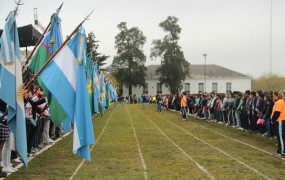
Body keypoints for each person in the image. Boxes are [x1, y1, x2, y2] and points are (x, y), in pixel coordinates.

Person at [271, 91, 285, 157]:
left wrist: (273, 120)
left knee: (281, 137)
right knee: (280, 137)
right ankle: (280, 151)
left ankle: (282, 152)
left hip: (280, 121)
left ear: (277, 96)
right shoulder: (279, 101)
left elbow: (277, 113)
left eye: (273, 95)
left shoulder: (279, 102)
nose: (273, 97)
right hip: (279, 120)